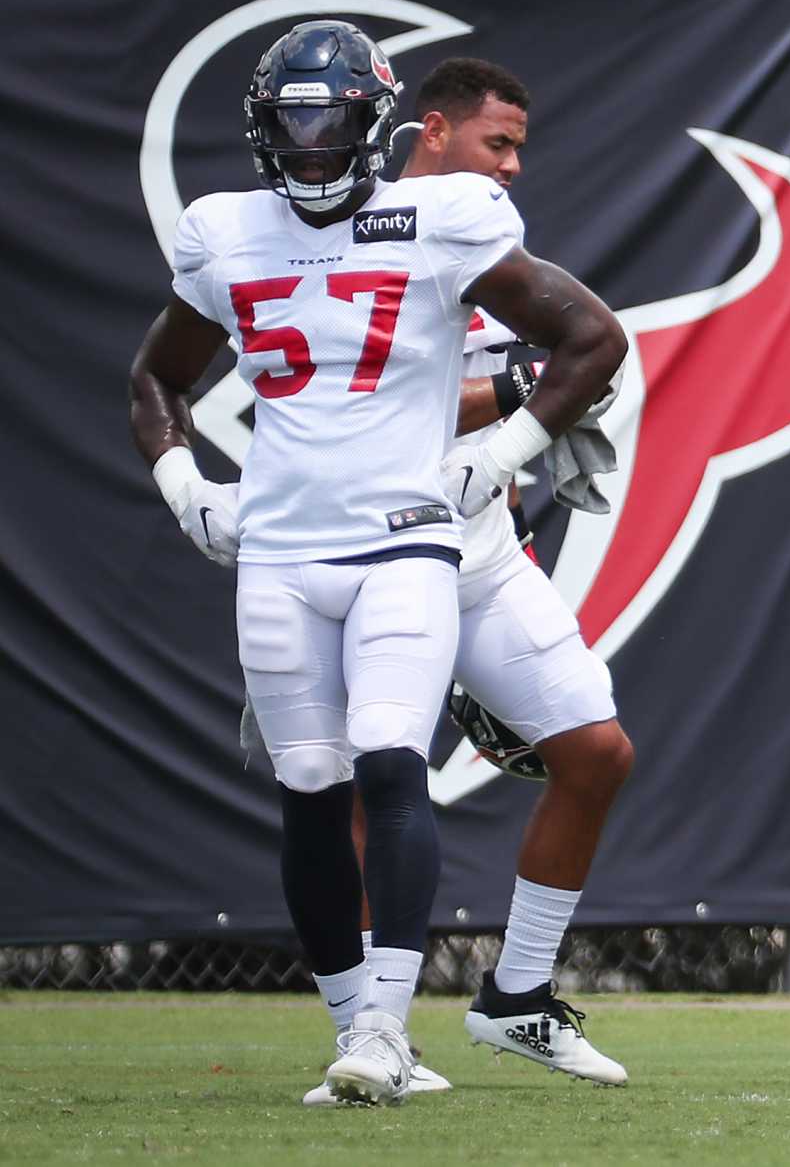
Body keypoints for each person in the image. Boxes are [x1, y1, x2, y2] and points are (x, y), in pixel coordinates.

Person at [128, 21, 626, 1106]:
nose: (311, 149)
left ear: (378, 123)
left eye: (329, 125)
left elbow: (589, 345)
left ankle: (475, 1006)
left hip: (429, 534)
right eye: (289, 128)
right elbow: (174, 378)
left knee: (437, 760)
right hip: (292, 542)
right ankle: (364, 1030)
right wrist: (185, 490)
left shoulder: (451, 223)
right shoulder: (228, 231)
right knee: (317, 787)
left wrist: (501, 451)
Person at [299, 56, 635, 1104]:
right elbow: (350, 409)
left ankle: (517, 997)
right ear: (430, 133)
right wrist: (521, 388)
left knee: (595, 751)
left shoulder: (487, 242)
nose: (514, 168)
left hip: (481, 555)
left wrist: (549, 395)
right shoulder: (355, 233)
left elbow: (576, 357)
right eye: (498, 143)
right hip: (367, 554)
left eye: (521, 148)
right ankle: (368, 1031)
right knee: (363, 788)